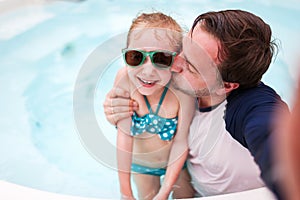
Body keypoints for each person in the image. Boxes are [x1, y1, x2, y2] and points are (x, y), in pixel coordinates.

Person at [104, 10, 289, 199]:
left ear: (224, 86)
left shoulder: (247, 106)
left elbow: (269, 131)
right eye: (186, 45)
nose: (174, 64)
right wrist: (117, 108)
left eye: (190, 66)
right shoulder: (163, 73)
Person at [111, 12, 195, 200]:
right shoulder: (124, 79)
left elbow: (182, 141)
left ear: (176, 60)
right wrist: (125, 193)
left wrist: (165, 190)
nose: (148, 71)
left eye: (161, 59)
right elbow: (124, 137)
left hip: (177, 164)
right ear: (125, 53)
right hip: (142, 167)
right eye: (135, 57)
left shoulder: (182, 89)